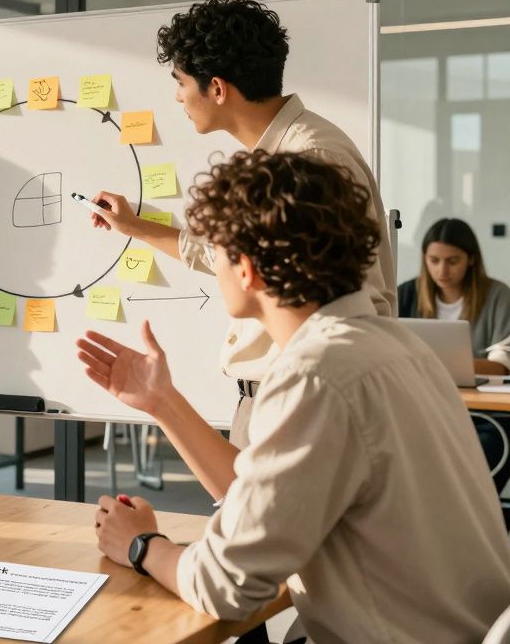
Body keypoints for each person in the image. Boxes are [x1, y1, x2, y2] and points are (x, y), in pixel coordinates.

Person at [77, 151, 510, 643]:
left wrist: (140, 545)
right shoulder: (401, 346)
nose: (211, 263)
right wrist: (162, 401)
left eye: (215, 250)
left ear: (247, 269)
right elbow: (266, 499)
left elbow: (224, 585)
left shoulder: (316, 375)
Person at [88, 0, 397, 458]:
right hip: (272, 403)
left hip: (301, 407)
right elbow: (227, 256)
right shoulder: (276, 158)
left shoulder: (310, 161)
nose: (177, 96)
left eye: (180, 82)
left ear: (216, 87)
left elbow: (360, 301)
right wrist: (136, 226)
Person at [399, 217, 510, 375]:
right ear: (425, 259)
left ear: (471, 259)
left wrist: (433, 367)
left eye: (452, 261)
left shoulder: (499, 295)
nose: (442, 271)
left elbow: (502, 366)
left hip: (479, 396)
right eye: (434, 260)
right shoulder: (406, 293)